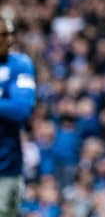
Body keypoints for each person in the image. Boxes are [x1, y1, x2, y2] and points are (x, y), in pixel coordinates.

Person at [0, 17, 37, 217]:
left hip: (5, 171)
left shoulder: (20, 64)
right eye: (3, 35)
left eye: (10, 33)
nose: (10, 40)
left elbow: (22, 110)